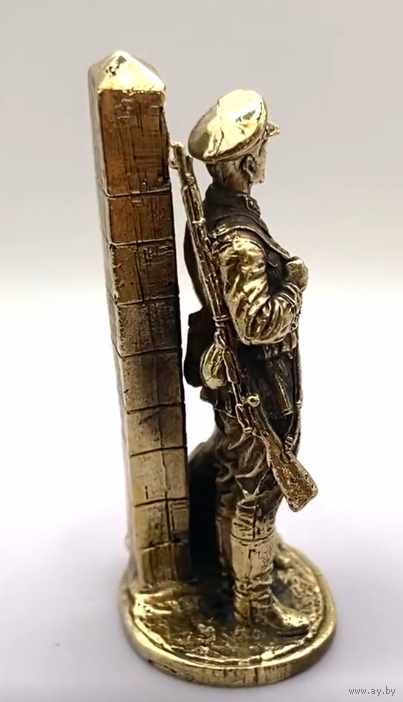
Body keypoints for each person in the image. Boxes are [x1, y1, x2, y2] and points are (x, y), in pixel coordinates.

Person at [184, 89, 310, 636]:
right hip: (258, 381)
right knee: (258, 491)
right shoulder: (238, 239)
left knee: (238, 480)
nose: (265, 157)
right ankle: (252, 605)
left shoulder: (221, 213)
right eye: (261, 148)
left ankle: (237, 562)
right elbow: (256, 324)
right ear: (248, 160)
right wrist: (295, 288)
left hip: (242, 380)